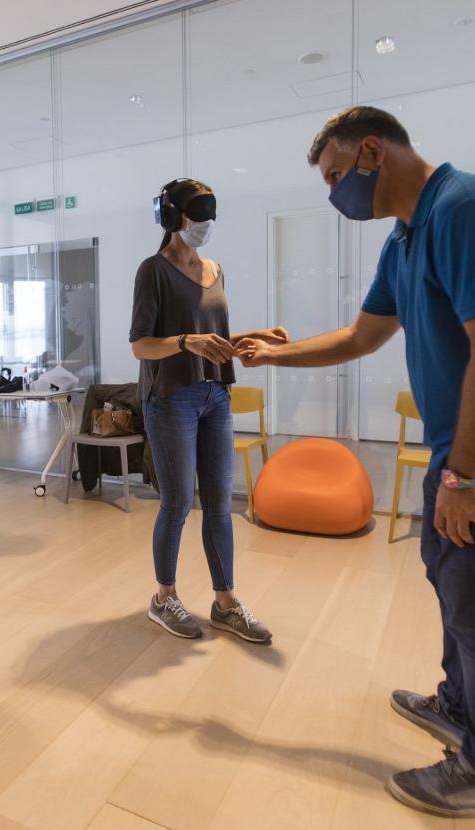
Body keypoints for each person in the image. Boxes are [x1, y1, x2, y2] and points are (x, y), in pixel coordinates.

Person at [238, 107, 475, 819]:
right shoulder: (406, 241)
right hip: (467, 450)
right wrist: (271, 354)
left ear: (373, 151)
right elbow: (360, 336)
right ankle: (460, 707)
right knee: (448, 570)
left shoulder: (473, 210)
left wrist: (464, 477)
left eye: (337, 176)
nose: (336, 195)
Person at [129, 178, 289, 645]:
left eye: (210, 217)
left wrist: (252, 337)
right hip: (170, 396)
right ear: (173, 217)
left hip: (216, 394)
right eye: (198, 217)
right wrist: (185, 342)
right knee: (178, 502)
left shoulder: (215, 269)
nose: (205, 226)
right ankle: (164, 598)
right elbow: (141, 345)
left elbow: (212, 334)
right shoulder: (152, 271)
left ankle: (225, 604)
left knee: (220, 503)